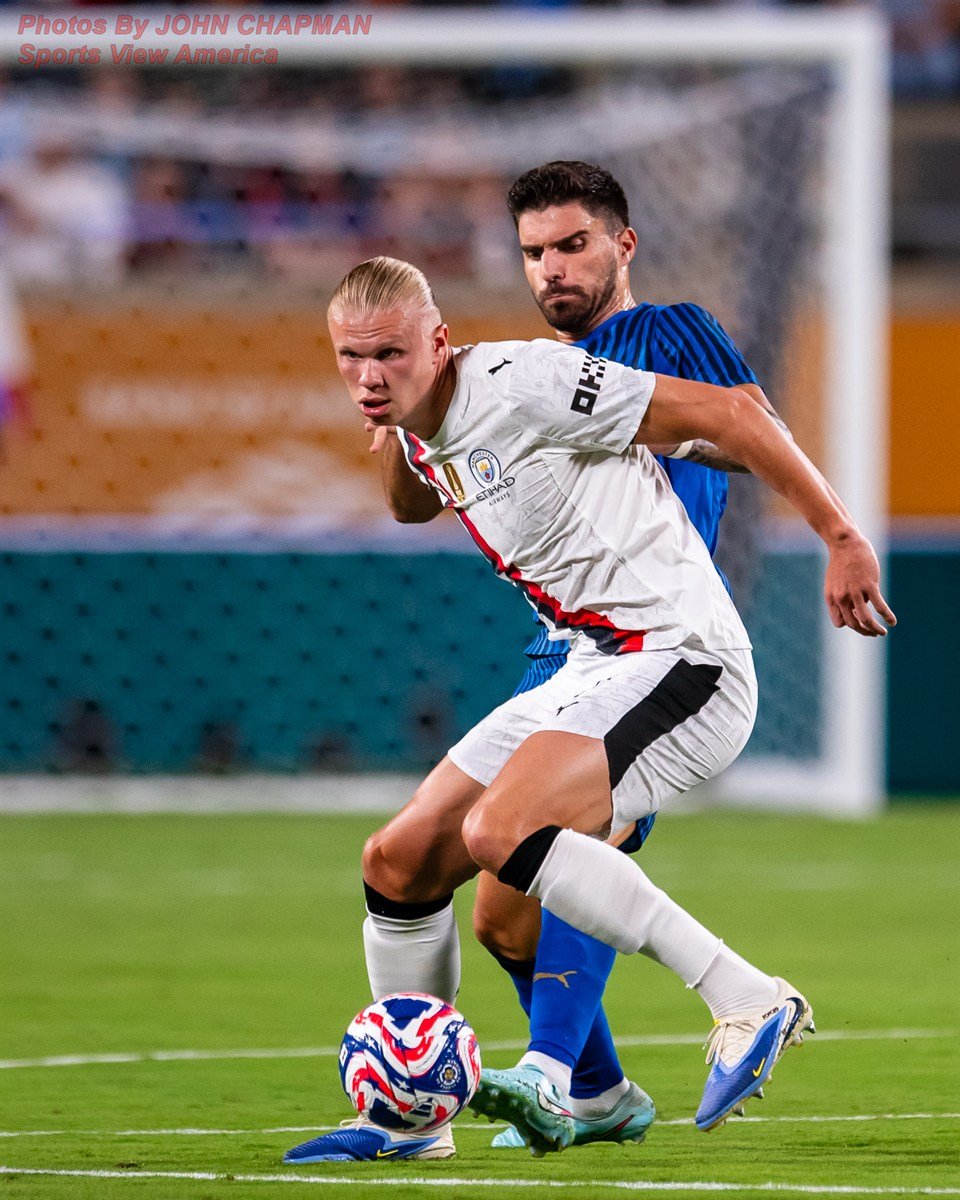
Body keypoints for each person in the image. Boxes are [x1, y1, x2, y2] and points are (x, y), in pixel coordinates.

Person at [284, 256, 894, 1164]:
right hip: (592, 664)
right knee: (398, 862)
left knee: (502, 831)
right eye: (351, 357)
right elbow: (413, 504)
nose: (369, 375)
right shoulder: (416, 419)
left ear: (439, 343)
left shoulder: (525, 380)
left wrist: (842, 537)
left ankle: (747, 995)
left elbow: (736, 415)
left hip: (686, 656)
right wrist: (400, 429)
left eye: (390, 355)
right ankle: (412, 1120)